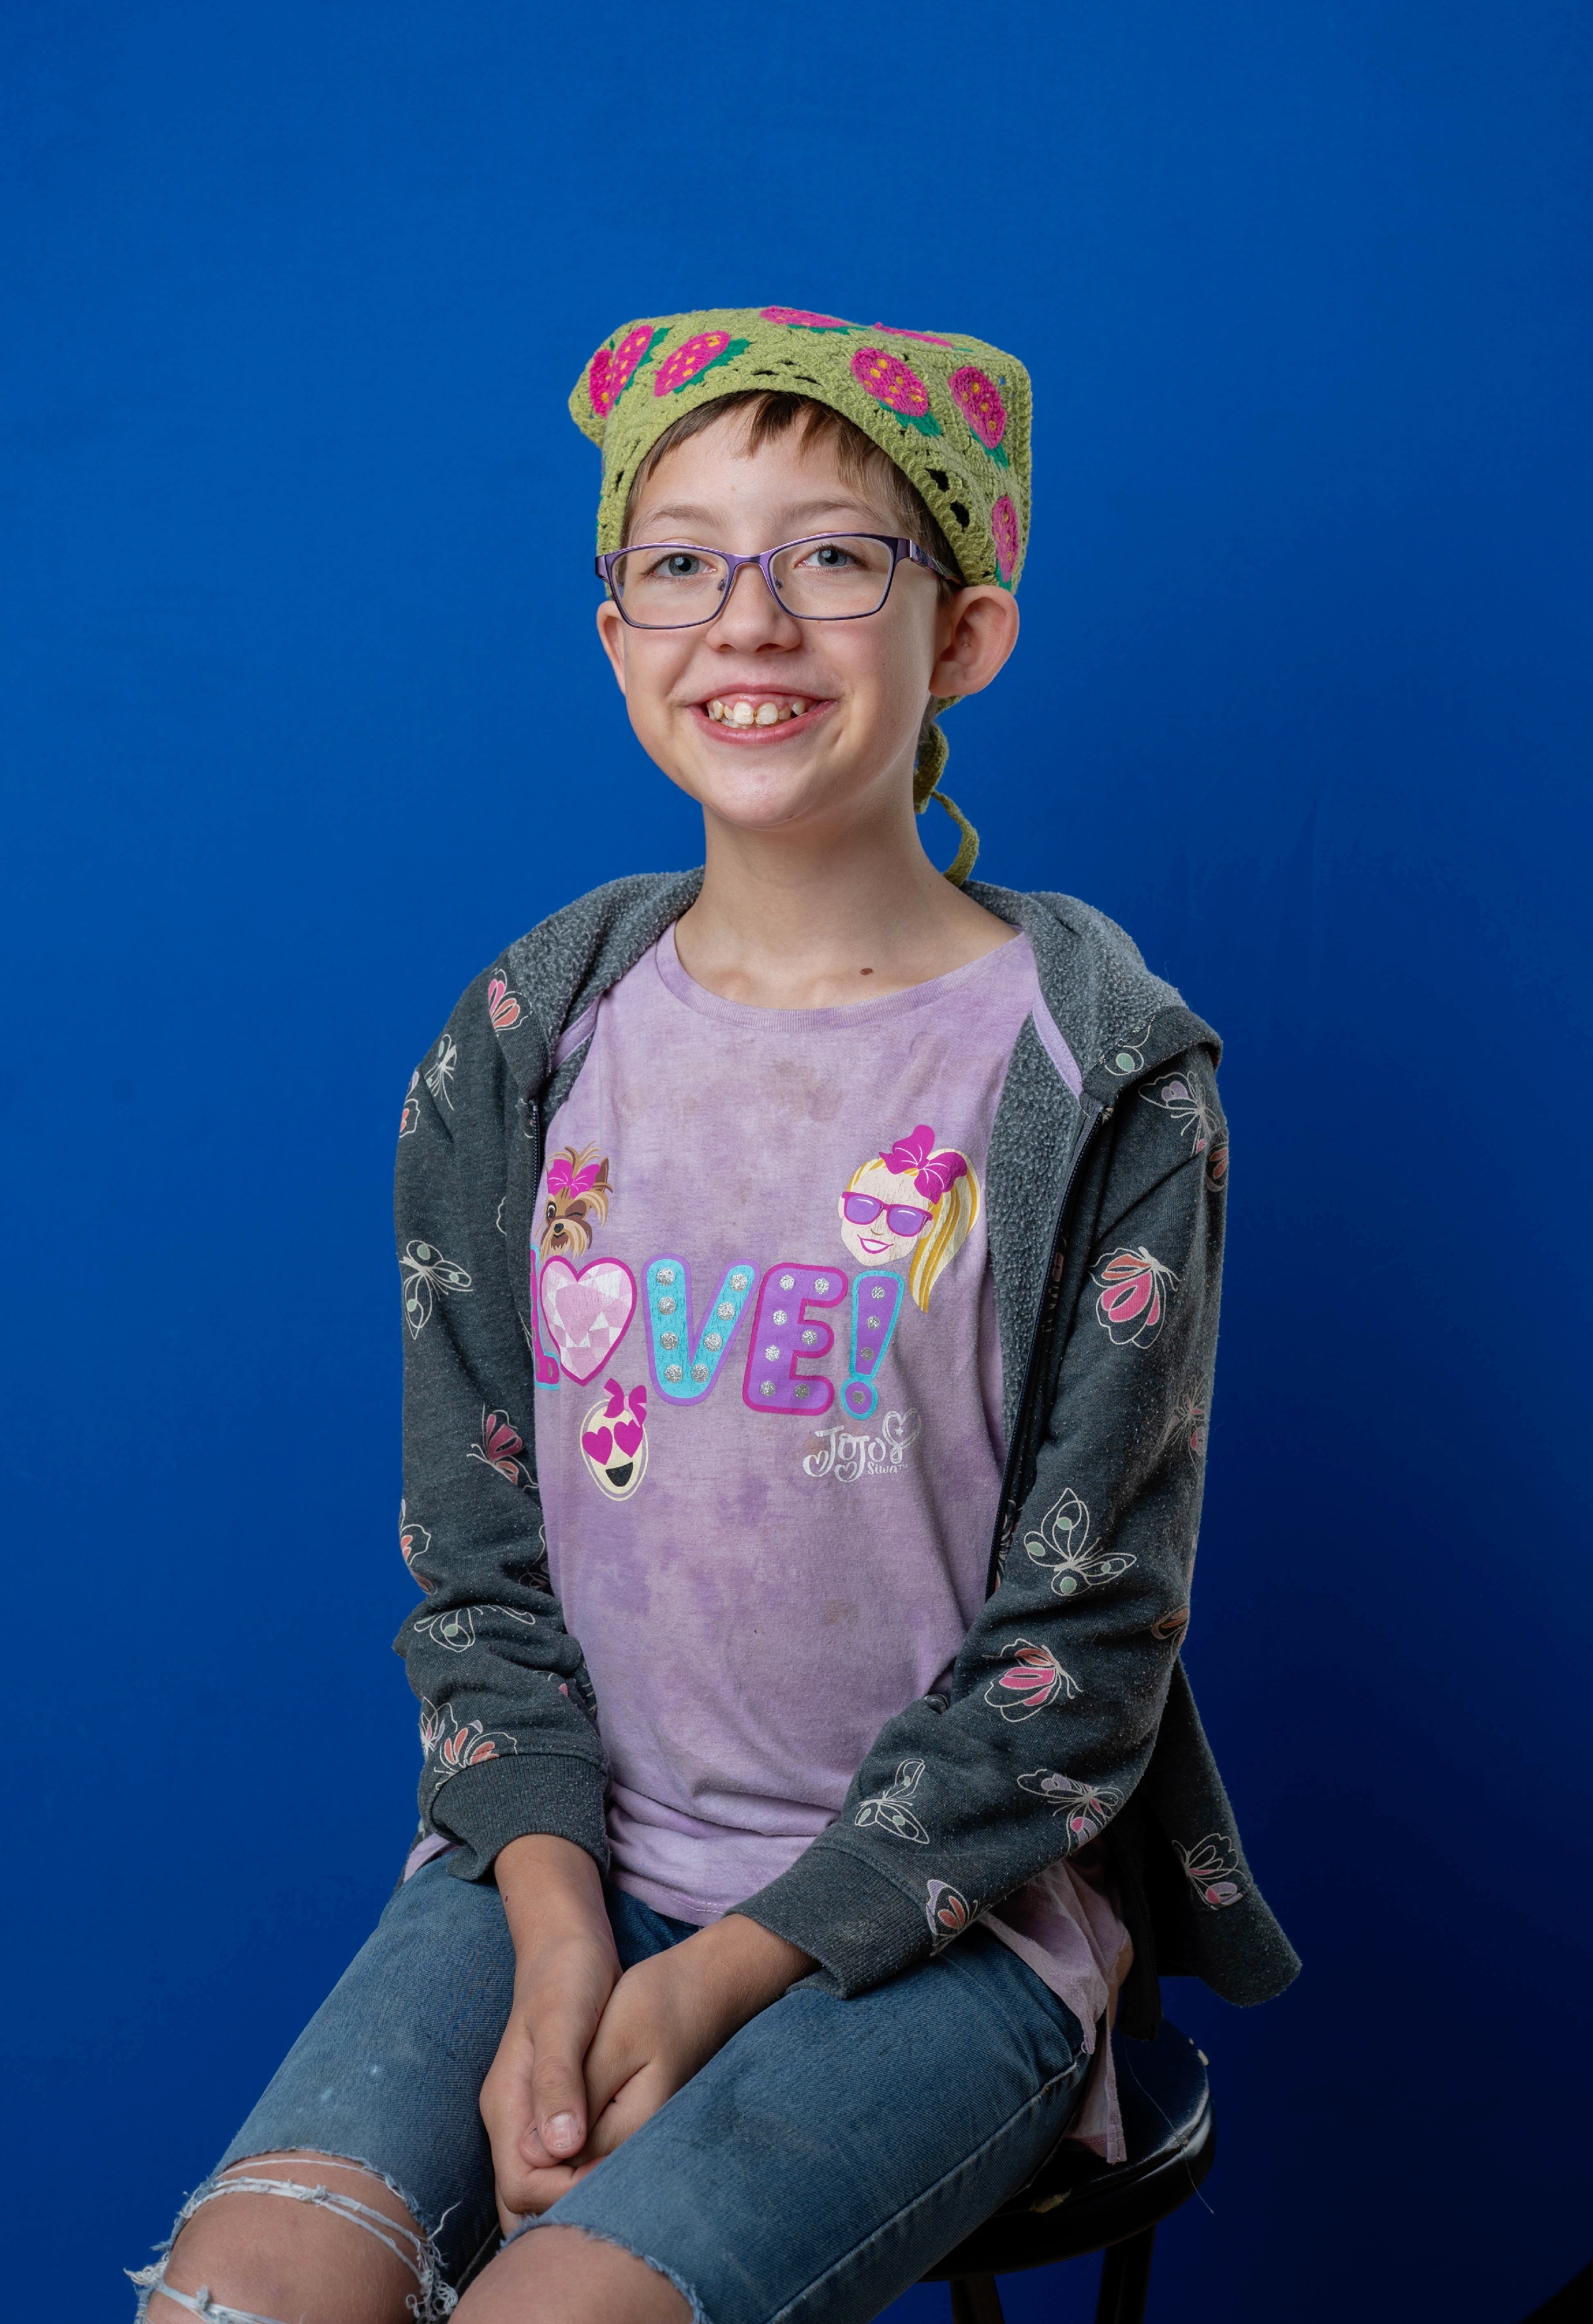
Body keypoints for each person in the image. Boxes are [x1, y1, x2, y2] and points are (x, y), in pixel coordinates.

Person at [132, 305, 1298, 2324]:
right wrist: (560, 1925)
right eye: (682, 561)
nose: (748, 618)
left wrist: (719, 1977)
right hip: (565, 1864)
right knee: (240, 2292)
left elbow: (1087, 1650)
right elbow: (478, 1562)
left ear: (964, 632)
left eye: (834, 556)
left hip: (943, 1917)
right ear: (617, 638)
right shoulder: (529, 1038)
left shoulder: (1097, 1075)